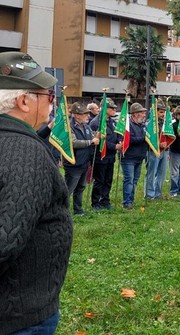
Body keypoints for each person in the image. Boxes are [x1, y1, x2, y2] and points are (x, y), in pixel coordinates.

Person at [0, 52, 73, 335]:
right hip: (19, 317)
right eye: (48, 96)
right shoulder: (25, 152)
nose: (51, 104)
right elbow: (6, 239)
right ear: (24, 101)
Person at [63, 102, 100, 216]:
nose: (87, 116)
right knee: (69, 189)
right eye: (84, 114)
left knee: (81, 187)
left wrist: (97, 136)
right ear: (77, 115)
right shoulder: (69, 127)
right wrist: (90, 142)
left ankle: (78, 210)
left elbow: (92, 135)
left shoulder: (86, 126)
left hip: (84, 162)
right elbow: (73, 142)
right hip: (73, 164)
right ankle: (62, 211)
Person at [89, 98, 119, 210]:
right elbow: (98, 140)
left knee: (108, 180)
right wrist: (114, 146)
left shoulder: (111, 121)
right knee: (99, 180)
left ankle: (105, 201)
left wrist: (119, 141)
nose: (114, 109)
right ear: (105, 109)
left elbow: (116, 134)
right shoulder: (96, 122)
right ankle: (95, 203)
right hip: (99, 156)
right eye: (111, 108)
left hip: (110, 156)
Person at [121, 103, 148, 209]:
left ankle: (131, 200)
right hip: (129, 157)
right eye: (142, 112)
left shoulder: (142, 125)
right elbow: (129, 140)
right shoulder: (128, 125)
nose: (144, 114)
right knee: (129, 180)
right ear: (135, 114)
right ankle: (127, 202)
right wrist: (144, 138)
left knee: (135, 180)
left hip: (139, 157)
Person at [145, 101, 169, 199]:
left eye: (164, 112)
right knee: (151, 173)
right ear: (155, 112)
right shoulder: (150, 123)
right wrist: (158, 144)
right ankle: (149, 194)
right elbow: (147, 137)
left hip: (165, 150)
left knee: (162, 173)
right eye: (161, 112)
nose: (163, 114)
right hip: (153, 151)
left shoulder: (166, 123)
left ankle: (158, 193)